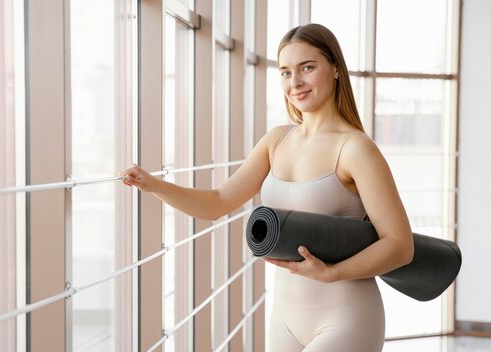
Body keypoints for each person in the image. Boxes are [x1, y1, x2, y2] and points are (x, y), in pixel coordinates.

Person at [119, 23, 413, 352]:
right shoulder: (276, 140)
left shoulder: (356, 149)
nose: (295, 82)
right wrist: (155, 185)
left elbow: (400, 245)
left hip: (347, 317)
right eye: (285, 72)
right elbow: (217, 202)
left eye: (307, 68)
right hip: (285, 318)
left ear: (334, 70)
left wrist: (332, 273)